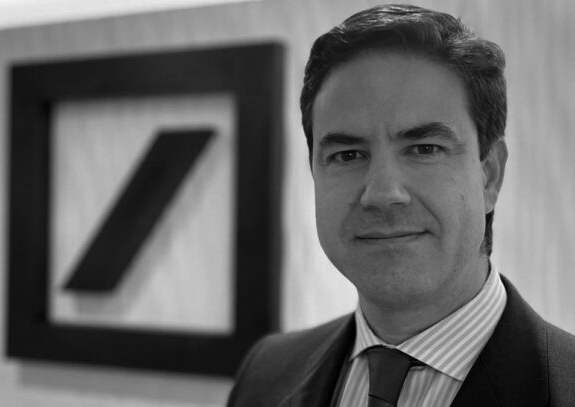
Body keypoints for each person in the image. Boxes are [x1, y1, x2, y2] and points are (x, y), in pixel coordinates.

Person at [227, 4, 575, 406]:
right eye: (348, 155)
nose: (382, 193)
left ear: (489, 175)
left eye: (424, 148)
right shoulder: (265, 374)